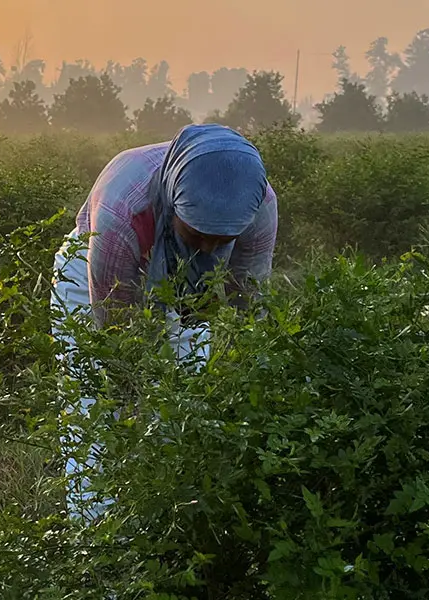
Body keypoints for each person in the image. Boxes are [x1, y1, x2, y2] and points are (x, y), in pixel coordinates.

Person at [49, 124, 278, 520]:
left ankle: (163, 535)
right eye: (197, 233)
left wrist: (241, 385)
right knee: (98, 413)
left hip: (186, 286)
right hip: (94, 276)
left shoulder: (256, 207)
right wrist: (136, 402)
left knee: (185, 411)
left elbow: (249, 308)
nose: (208, 248)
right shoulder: (123, 210)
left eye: (220, 241)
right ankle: (96, 544)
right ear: (174, 205)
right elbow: (116, 344)